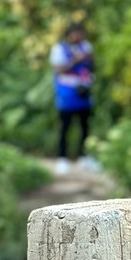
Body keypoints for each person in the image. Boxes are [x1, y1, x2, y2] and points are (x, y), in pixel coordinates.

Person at [49, 22, 98, 174]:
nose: (79, 37)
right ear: (69, 34)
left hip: (83, 92)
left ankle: (85, 157)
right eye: (76, 33)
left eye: (81, 33)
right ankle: (62, 159)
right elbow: (58, 69)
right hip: (66, 94)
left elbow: (92, 66)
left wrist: (89, 60)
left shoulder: (86, 47)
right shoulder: (59, 48)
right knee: (65, 127)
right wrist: (75, 60)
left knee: (85, 126)